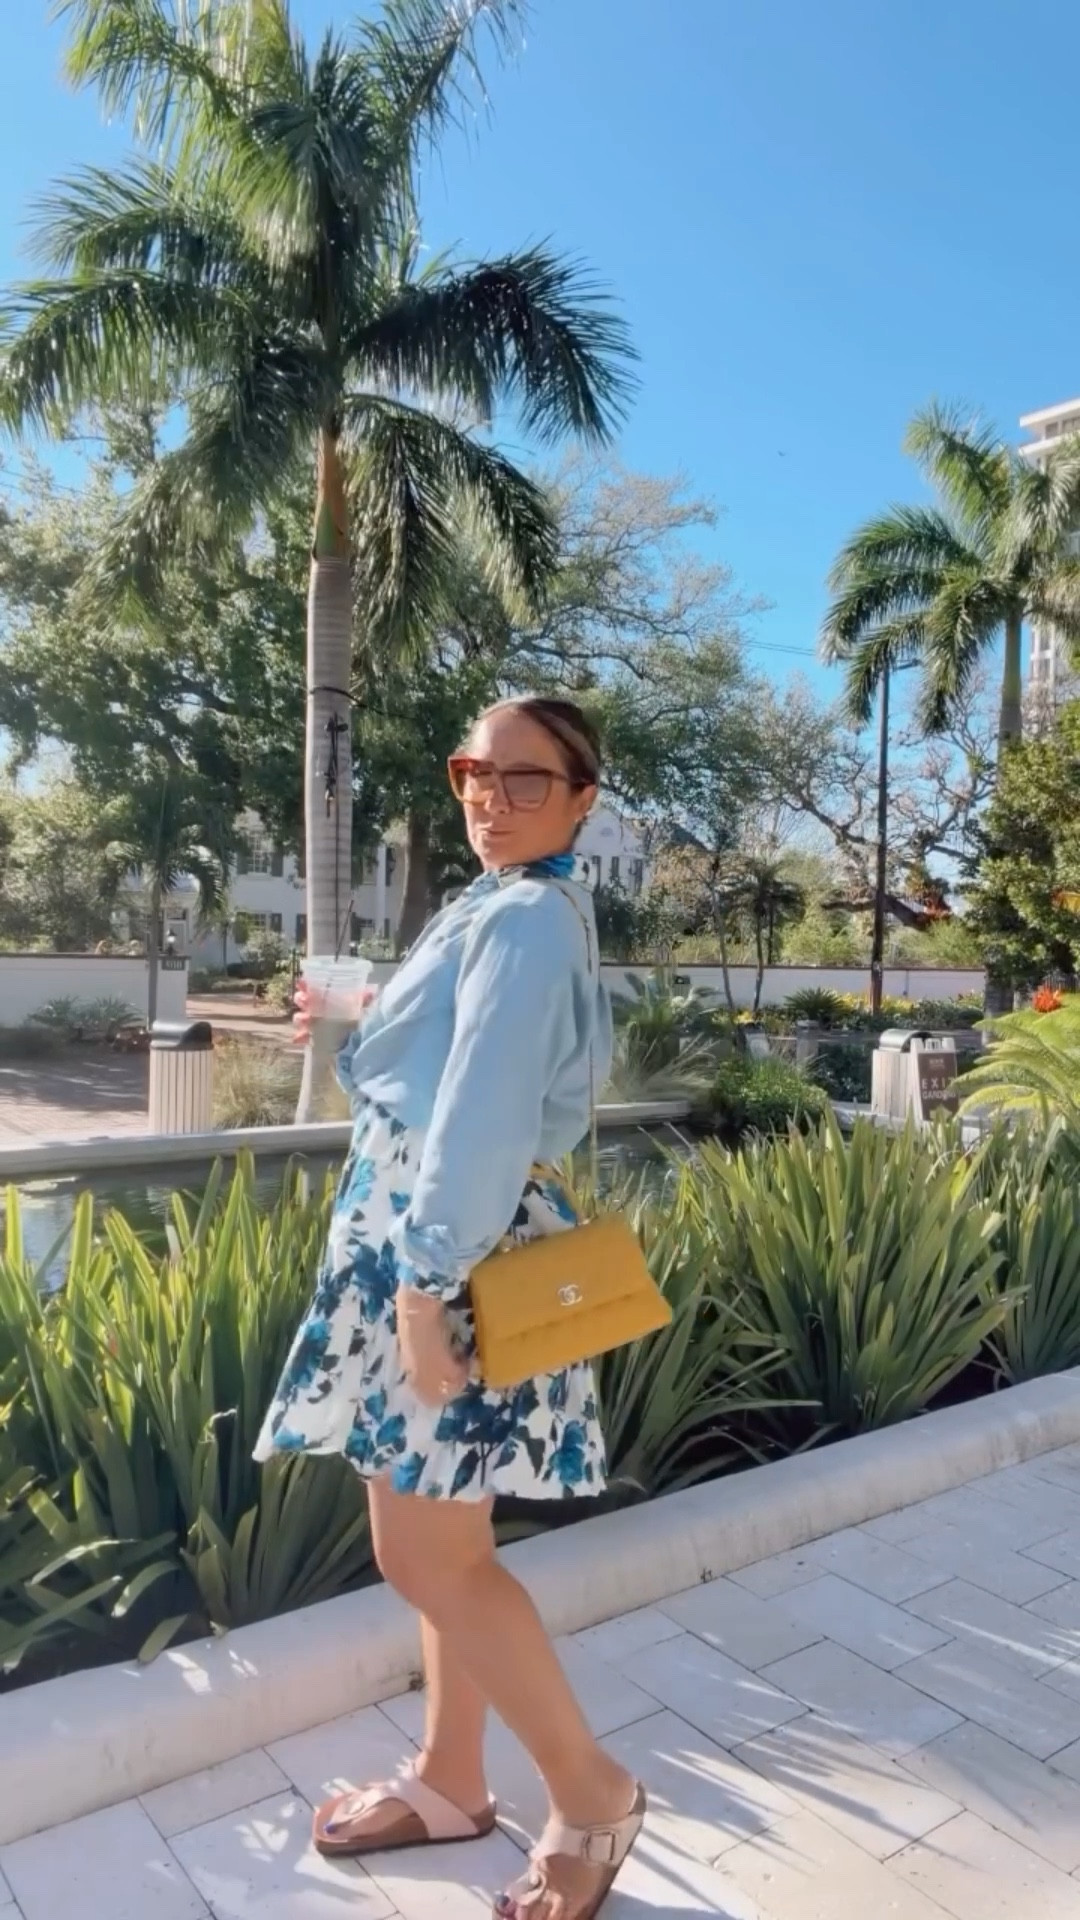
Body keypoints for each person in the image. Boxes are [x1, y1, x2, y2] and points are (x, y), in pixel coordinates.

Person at [255, 697, 644, 1920]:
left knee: (423, 1553)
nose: (488, 795)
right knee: (447, 1547)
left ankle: (591, 1796)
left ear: (584, 800)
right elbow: (456, 1052)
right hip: (425, 1242)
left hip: (445, 1255)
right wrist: (365, 1016)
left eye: (526, 780)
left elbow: (481, 1117)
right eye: (475, 770)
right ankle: (451, 1780)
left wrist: (424, 1290)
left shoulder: (527, 917)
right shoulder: (498, 905)